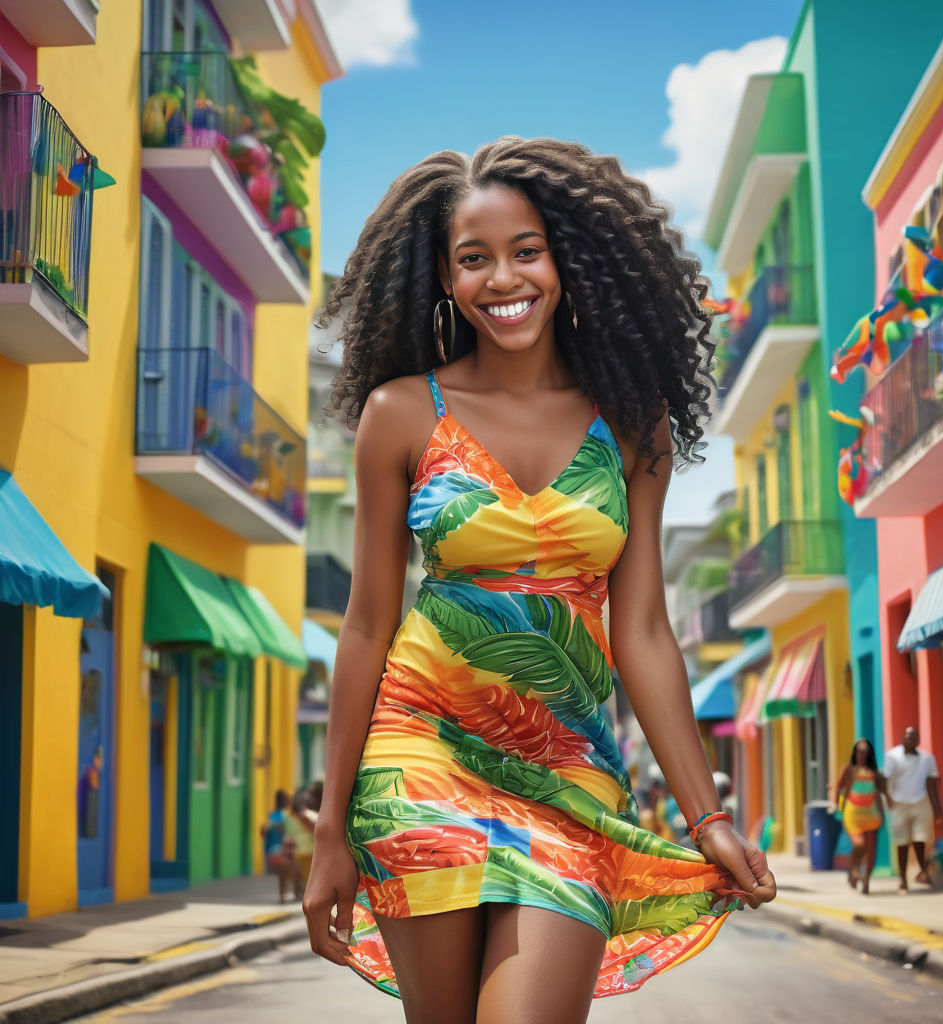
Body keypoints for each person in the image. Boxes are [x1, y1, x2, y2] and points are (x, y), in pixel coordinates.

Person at [302, 137, 776, 1021]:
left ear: (568, 260)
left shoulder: (632, 422)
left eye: (527, 251)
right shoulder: (401, 412)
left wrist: (707, 816)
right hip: (420, 758)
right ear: (444, 277)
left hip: (570, 771)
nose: (503, 278)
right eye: (473, 258)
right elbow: (367, 625)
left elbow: (643, 630)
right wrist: (330, 830)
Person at [883, 726, 943, 894]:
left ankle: (922, 871)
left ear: (918, 740)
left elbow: (932, 783)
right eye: (909, 736)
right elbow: (886, 780)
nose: (912, 740)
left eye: (915, 737)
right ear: (903, 738)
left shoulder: (927, 758)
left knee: (921, 839)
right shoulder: (892, 756)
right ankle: (903, 879)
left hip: (921, 802)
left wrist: (937, 807)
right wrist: (888, 800)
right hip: (899, 803)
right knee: (901, 842)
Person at [835, 739, 885, 894]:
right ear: (855, 753)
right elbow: (840, 787)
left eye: (865, 751)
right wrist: (837, 806)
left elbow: (880, 793)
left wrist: (882, 812)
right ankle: (854, 868)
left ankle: (866, 880)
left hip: (871, 813)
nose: (862, 754)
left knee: (870, 850)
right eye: (859, 751)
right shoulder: (849, 770)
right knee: (859, 845)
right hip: (853, 813)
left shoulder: (874, 773)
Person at [262, 789, 293, 903]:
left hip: (273, 850)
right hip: (281, 850)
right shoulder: (285, 817)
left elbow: (264, 833)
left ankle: (282, 894)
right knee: (286, 873)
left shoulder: (270, 816)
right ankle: (283, 894)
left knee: (282, 874)